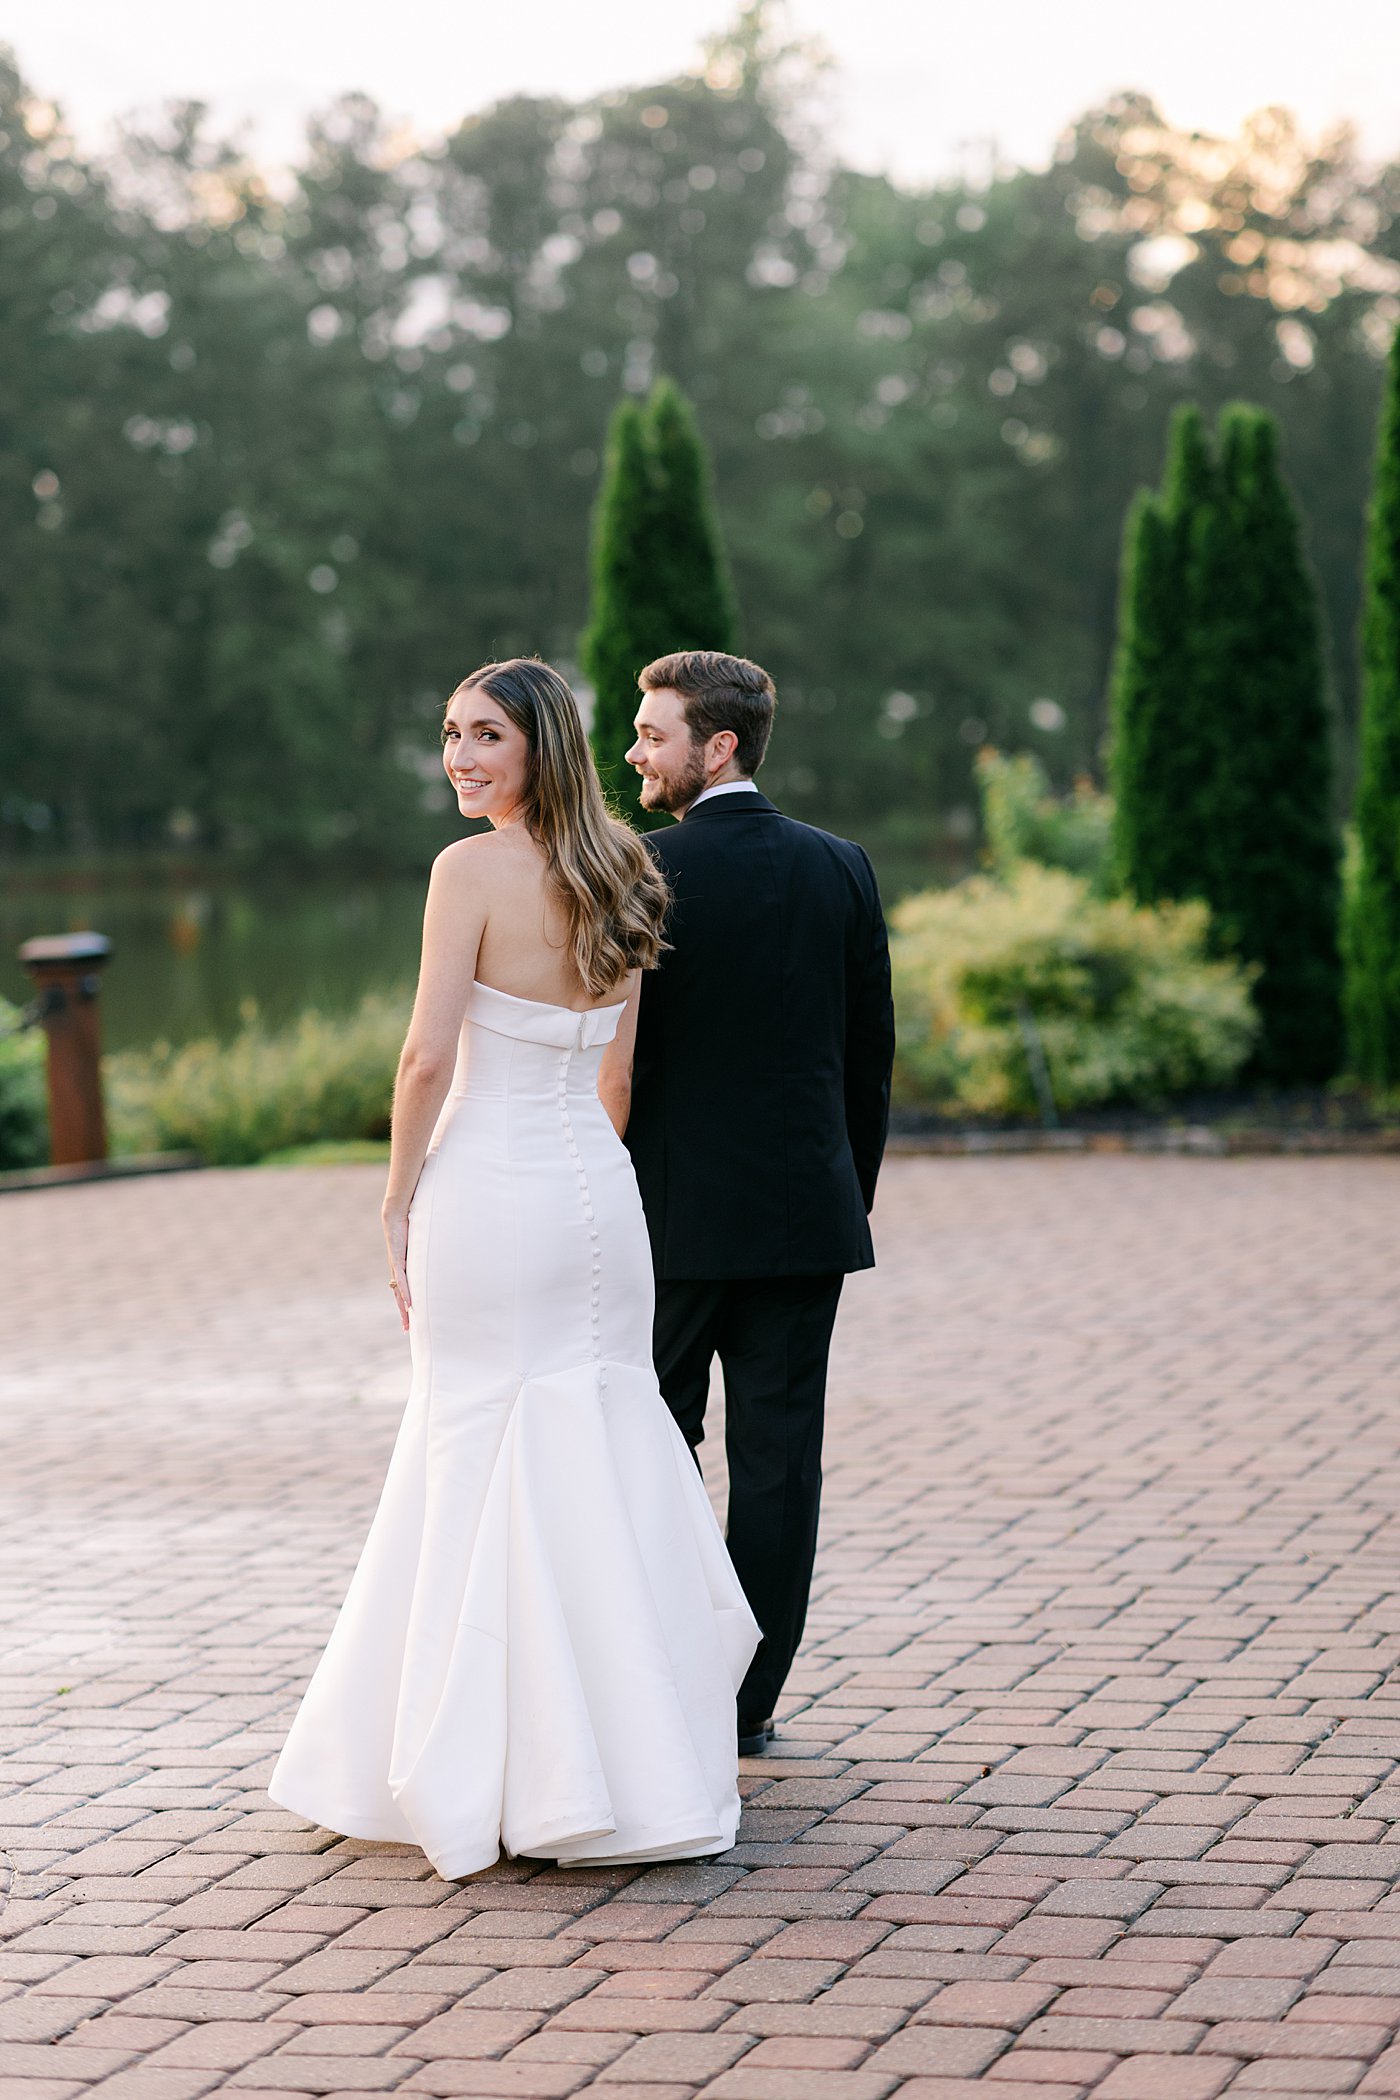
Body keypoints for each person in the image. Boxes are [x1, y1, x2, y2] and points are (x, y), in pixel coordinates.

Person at [268, 658, 759, 1879]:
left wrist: (396, 1200)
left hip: (488, 1190)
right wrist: (581, 1171)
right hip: (596, 1195)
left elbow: (426, 1058)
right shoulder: (630, 867)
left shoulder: (467, 873)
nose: (460, 757)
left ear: (541, 745)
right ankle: (630, 1761)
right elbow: (617, 1079)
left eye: (487, 735)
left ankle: (486, 1767)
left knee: (473, 1442)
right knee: (594, 1436)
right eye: (448, 734)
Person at [622, 650, 895, 1758]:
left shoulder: (639, 868)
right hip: (800, 1221)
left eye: (651, 732)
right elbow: (866, 1062)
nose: (634, 751)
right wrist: (837, 1197)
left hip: (669, 1224)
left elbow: (615, 1062)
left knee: (650, 1446)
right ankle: (746, 1704)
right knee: (780, 1466)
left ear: (714, 745)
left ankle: (659, 1679)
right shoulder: (841, 867)